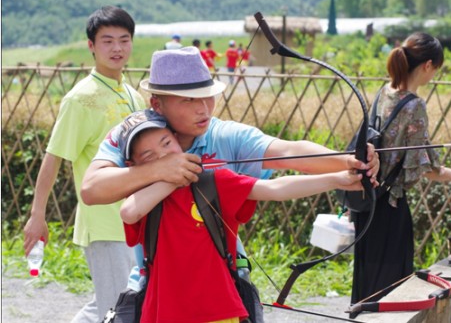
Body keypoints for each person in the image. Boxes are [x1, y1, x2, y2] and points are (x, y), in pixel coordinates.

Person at [81, 47, 379, 321]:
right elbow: (93, 190)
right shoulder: (137, 134)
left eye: (207, 96)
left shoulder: (223, 136)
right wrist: (163, 170)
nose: (203, 109)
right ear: (157, 104)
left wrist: (349, 161)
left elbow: (289, 153)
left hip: (220, 286)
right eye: (189, 100)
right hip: (158, 290)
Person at [117, 109, 364, 322]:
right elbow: (129, 213)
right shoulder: (144, 198)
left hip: (219, 309)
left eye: (166, 143)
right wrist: (172, 178)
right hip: (163, 313)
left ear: (178, 141)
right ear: (134, 166)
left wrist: (337, 178)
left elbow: (274, 189)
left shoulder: (213, 182)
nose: (164, 156)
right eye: (149, 156)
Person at [23, 6, 146, 322]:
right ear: (91, 46)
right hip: (104, 223)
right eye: (107, 41)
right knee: (120, 308)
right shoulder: (81, 99)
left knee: (114, 304)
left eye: (124, 39)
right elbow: (53, 157)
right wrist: (37, 216)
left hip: (135, 221)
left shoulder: (132, 94)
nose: (117, 48)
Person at [350, 32, 451, 305]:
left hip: (366, 201)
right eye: (436, 70)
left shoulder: (384, 92)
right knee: (392, 289)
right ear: (428, 65)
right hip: (391, 207)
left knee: (366, 284)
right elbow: (423, 166)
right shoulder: (414, 105)